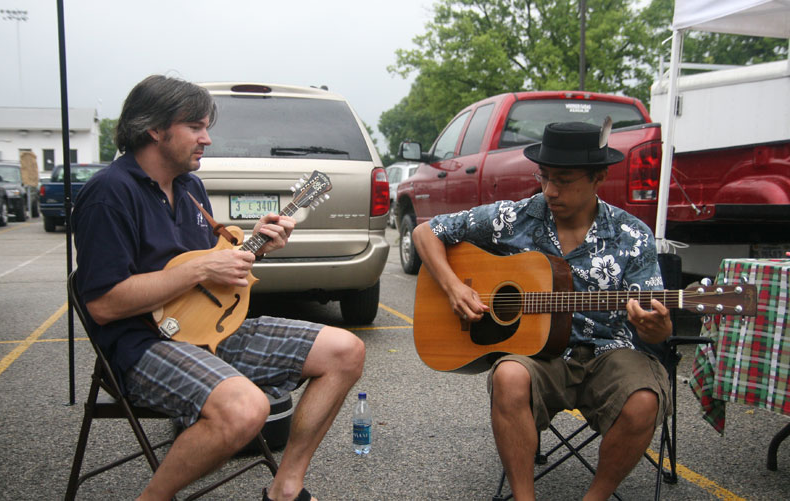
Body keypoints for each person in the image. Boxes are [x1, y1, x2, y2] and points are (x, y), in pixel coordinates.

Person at [72, 75, 365, 501]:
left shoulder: (190, 188)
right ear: (155, 129)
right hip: (141, 344)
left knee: (346, 351)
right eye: (195, 127)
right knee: (247, 409)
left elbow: (213, 280)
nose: (207, 139)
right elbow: (102, 305)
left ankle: (285, 487)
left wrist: (254, 246)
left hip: (211, 331)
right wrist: (202, 269)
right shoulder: (108, 195)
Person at [412, 121, 673, 500]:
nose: (550, 190)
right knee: (508, 377)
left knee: (643, 400)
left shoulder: (631, 235)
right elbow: (426, 233)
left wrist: (655, 328)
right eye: (545, 176)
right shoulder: (516, 216)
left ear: (598, 177)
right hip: (539, 355)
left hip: (610, 353)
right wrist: (454, 287)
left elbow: (656, 327)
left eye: (563, 180)